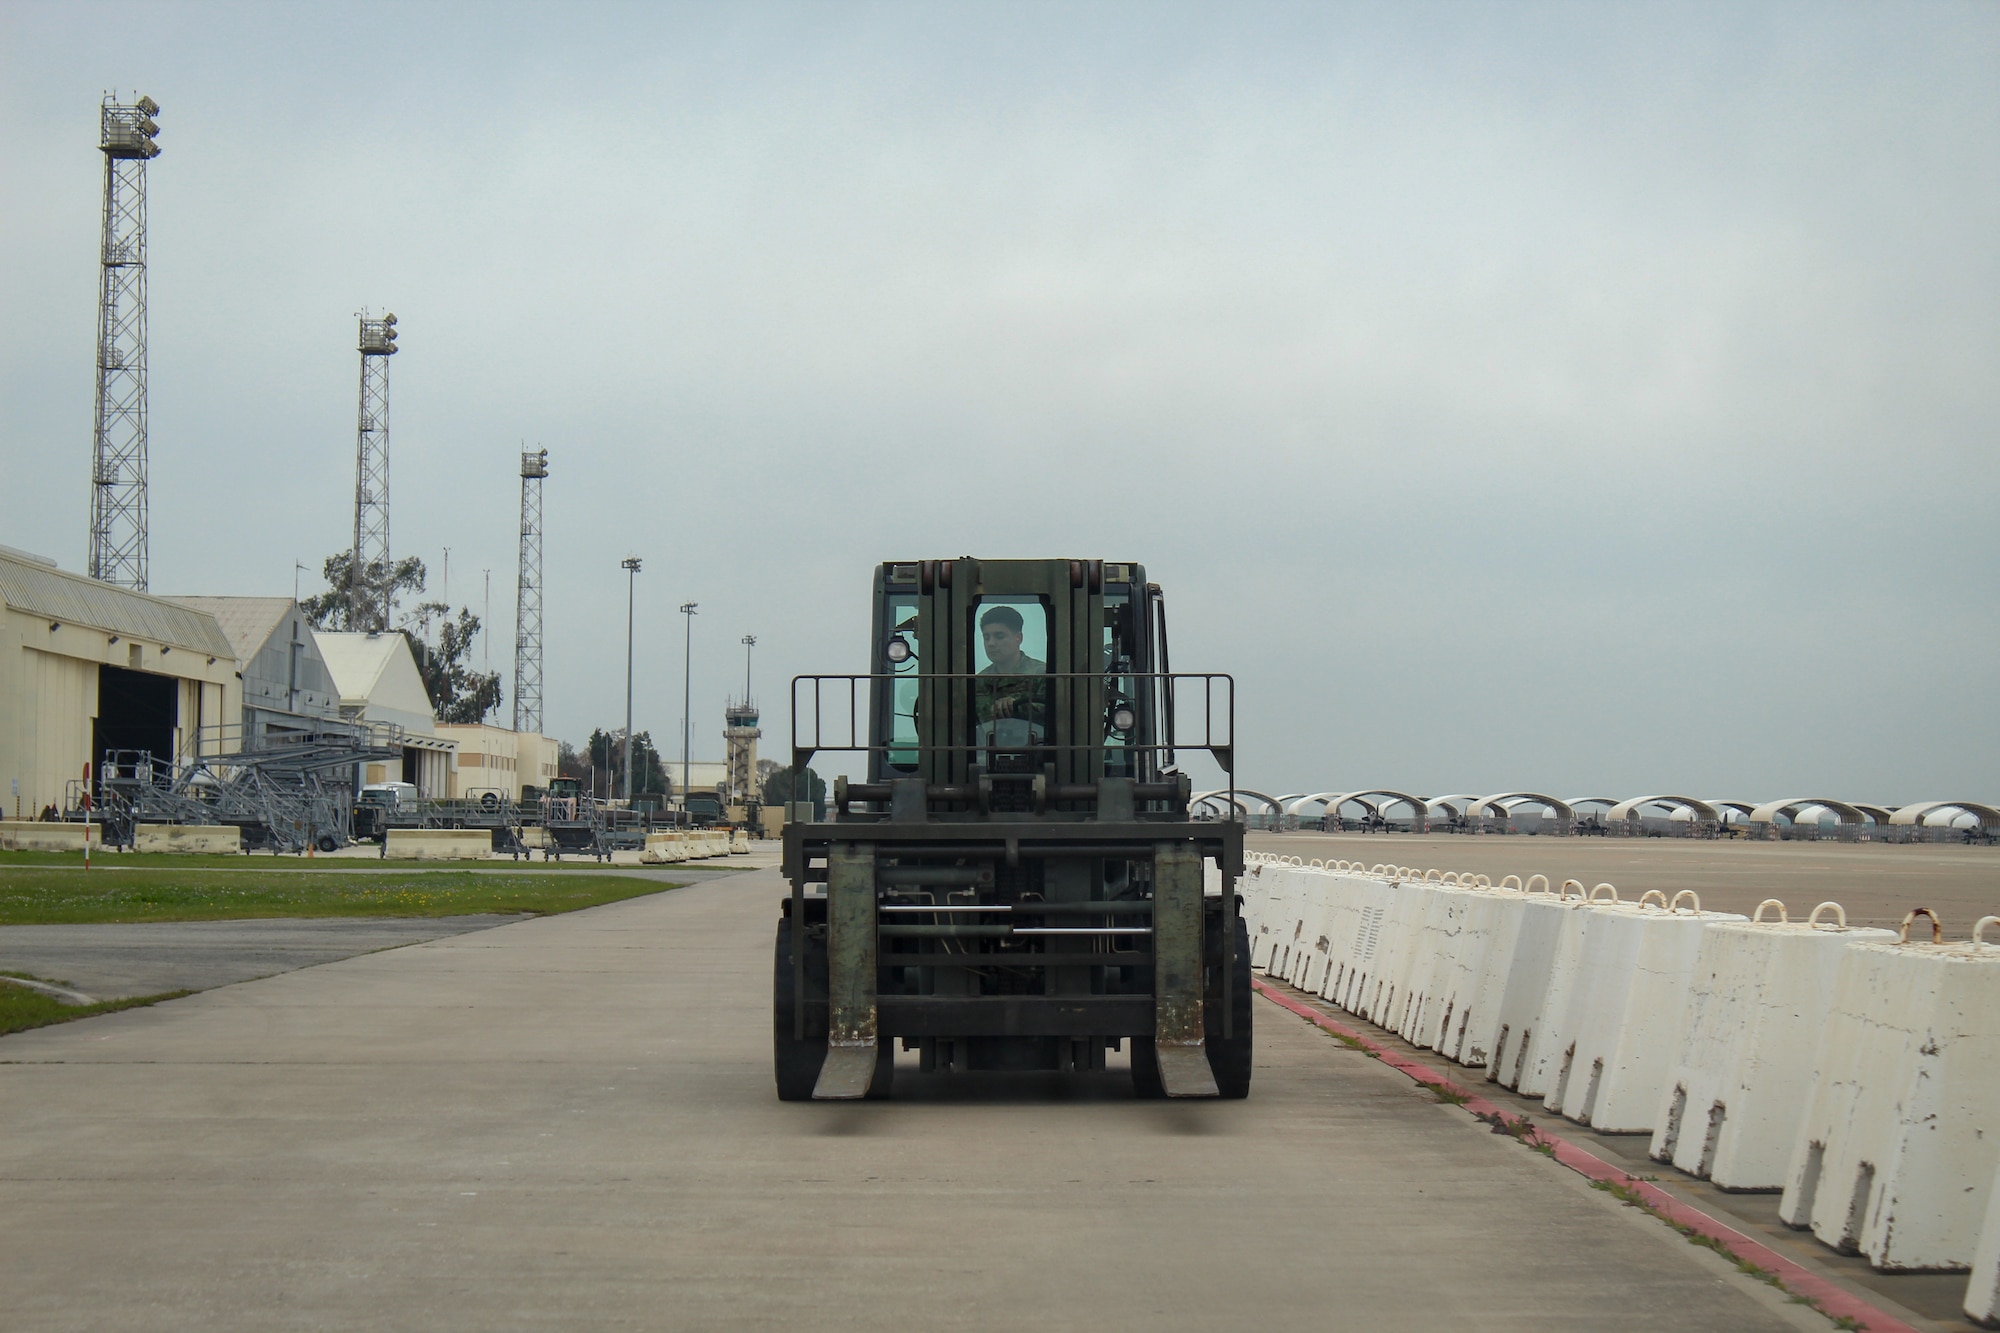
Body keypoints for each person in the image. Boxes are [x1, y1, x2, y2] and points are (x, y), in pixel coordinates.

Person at [975, 605, 1045, 725]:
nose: (991, 643)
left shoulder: (1042, 674)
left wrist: (1017, 705)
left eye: (999, 636)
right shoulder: (979, 681)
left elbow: (1053, 713)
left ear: (1018, 638)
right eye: (986, 637)